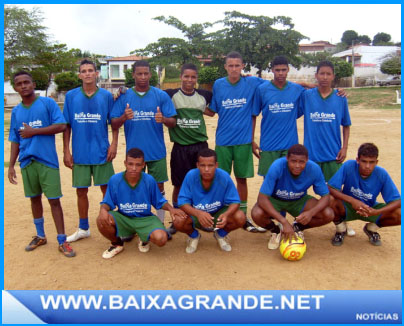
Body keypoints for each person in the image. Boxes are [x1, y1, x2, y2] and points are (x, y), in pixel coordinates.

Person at [8, 71, 75, 257]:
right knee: (34, 198)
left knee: (54, 201)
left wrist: (34, 131)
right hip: (27, 162)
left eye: (26, 82)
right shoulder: (16, 111)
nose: (23, 86)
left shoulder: (47, 103)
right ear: (15, 88)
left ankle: (62, 240)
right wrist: (12, 165)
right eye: (19, 84)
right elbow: (14, 139)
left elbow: (61, 126)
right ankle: (40, 235)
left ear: (33, 83)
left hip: (47, 160)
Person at [111, 60, 177, 227]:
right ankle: (137, 222)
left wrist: (164, 119)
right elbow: (113, 124)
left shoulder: (160, 95)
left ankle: (160, 223)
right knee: (135, 187)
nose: (142, 77)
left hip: (156, 152)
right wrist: (124, 117)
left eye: (146, 73)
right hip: (134, 155)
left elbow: (173, 122)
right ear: (133, 75)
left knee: (159, 188)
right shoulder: (124, 96)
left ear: (150, 74)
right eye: (139, 73)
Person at [210, 51, 266, 232]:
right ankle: (221, 213)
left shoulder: (252, 82)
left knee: (241, 179)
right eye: (230, 65)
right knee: (221, 179)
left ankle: (242, 216)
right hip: (223, 141)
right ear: (225, 67)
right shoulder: (218, 85)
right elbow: (212, 110)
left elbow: (278, 85)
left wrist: (308, 85)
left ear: (243, 66)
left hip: (243, 142)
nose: (234, 69)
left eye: (237, 65)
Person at [63, 59, 118, 242]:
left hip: (102, 151)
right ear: (79, 75)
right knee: (81, 191)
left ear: (96, 74)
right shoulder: (71, 97)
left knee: (107, 189)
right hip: (80, 153)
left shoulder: (106, 96)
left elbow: (114, 123)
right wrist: (66, 151)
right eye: (83, 71)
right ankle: (83, 227)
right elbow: (67, 126)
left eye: (90, 70)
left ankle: (113, 223)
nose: (87, 73)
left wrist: (114, 143)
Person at [96, 148, 186, 259]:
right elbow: (106, 203)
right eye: (130, 164)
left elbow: (159, 201)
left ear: (143, 165)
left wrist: (172, 209)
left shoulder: (149, 180)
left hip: (145, 219)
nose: (134, 168)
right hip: (124, 218)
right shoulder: (115, 180)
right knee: (101, 219)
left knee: (161, 239)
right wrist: (103, 210)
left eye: (138, 165)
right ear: (125, 163)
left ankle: (144, 238)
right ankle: (117, 244)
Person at [251, 144, 334, 249]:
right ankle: (276, 231)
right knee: (256, 213)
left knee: (328, 214)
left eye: (301, 162)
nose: (297, 165)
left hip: (299, 200)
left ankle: (297, 227)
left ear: (307, 160)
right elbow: (262, 199)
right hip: (276, 199)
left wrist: (310, 213)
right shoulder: (277, 166)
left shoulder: (314, 169)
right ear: (287, 159)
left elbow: (326, 196)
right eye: (293, 161)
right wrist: (284, 222)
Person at [164, 63, 214, 234]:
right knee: (178, 184)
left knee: (202, 182)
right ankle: (177, 219)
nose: (189, 80)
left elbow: (215, 108)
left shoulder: (204, 96)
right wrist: (122, 91)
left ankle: (203, 216)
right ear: (181, 77)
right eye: (186, 76)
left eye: (193, 77)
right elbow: (149, 94)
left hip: (200, 147)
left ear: (196, 79)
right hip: (180, 148)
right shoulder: (171, 95)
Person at [328, 143, 401, 246]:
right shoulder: (349, 166)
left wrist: (376, 211)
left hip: (369, 209)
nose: (367, 166)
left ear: (376, 162)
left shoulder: (382, 174)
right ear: (358, 160)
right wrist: (352, 201)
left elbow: (397, 201)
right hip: (347, 207)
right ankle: (341, 229)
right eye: (364, 161)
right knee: (329, 199)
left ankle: (371, 229)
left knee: (400, 213)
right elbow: (330, 188)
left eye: (371, 162)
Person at [174, 148, 246, 253]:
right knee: (178, 220)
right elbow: (182, 202)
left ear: (216, 165)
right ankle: (194, 236)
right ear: (197, 165)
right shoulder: (191, 175)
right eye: (203, 165)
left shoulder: (224, 176)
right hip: (196, 213)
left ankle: (220, 235)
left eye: (210, 165)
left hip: (218, 213)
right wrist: (198, 213)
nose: (206, 169)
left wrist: (226, 215)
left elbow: (235, 202)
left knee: (240, 217)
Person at [252, 56, 305, 177]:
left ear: (288, 70)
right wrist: (252, 140)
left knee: (289, 179)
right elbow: (253, 115)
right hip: (268, 145)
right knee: (269, 180)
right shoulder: (262, 90)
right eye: (277, 70)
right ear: (272, 70)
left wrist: (337, 91)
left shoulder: (296, 89)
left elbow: (316, 93)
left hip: (289, 145)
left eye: (283, 70)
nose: (280, 73)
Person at [300, 60, 351, 182]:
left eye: (328, 74)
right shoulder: (306, 96)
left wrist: (344, 148)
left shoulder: (340, 98)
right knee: (303, 190)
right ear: (316, 75)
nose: (325, 77)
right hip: (311, 154)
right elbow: (287, 85)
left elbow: (346, 125)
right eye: (322, 73)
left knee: (333, 192)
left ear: (333, 76)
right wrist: (304, 83)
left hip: (333, 154)